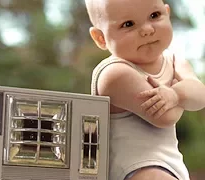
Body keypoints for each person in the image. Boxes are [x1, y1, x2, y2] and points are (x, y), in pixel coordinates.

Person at [84, 0, 205, 179]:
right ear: (100, 38)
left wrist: (175, 94)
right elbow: (164, 116)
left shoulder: (173, 60)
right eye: (128, 24)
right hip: (135, 169)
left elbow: (200, 96)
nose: (147, 29)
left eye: (154, 16)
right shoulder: (114, 73)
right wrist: (183, 92)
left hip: (171, 165)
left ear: (167, 13)